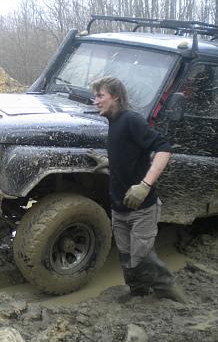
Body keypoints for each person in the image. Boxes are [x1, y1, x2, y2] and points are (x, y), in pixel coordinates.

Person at [89, 76, 186, 303]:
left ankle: (175, 299)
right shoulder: (113, 122)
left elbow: (164, 149)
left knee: (142, 258)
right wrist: (110, 163)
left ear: (116, 97)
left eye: (100, 96)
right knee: (126, 257)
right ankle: (138, 297)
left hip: (142, 207)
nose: (95, 101)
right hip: (119, 206)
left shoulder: (131, 120)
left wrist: (145, 185)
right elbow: (130, 155)